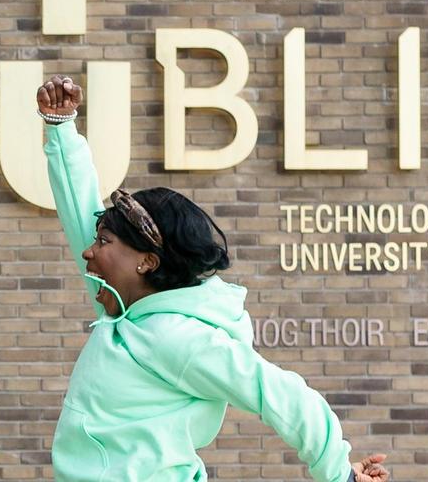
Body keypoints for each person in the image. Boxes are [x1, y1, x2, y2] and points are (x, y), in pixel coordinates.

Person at [36, 75, 391, 482]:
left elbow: (280, 393)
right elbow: (79, 210)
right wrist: (60, 129)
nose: (88, 251)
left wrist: (339, 474)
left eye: (103, 241)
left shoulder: (177, 337)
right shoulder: (126, 304)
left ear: (146, 262)